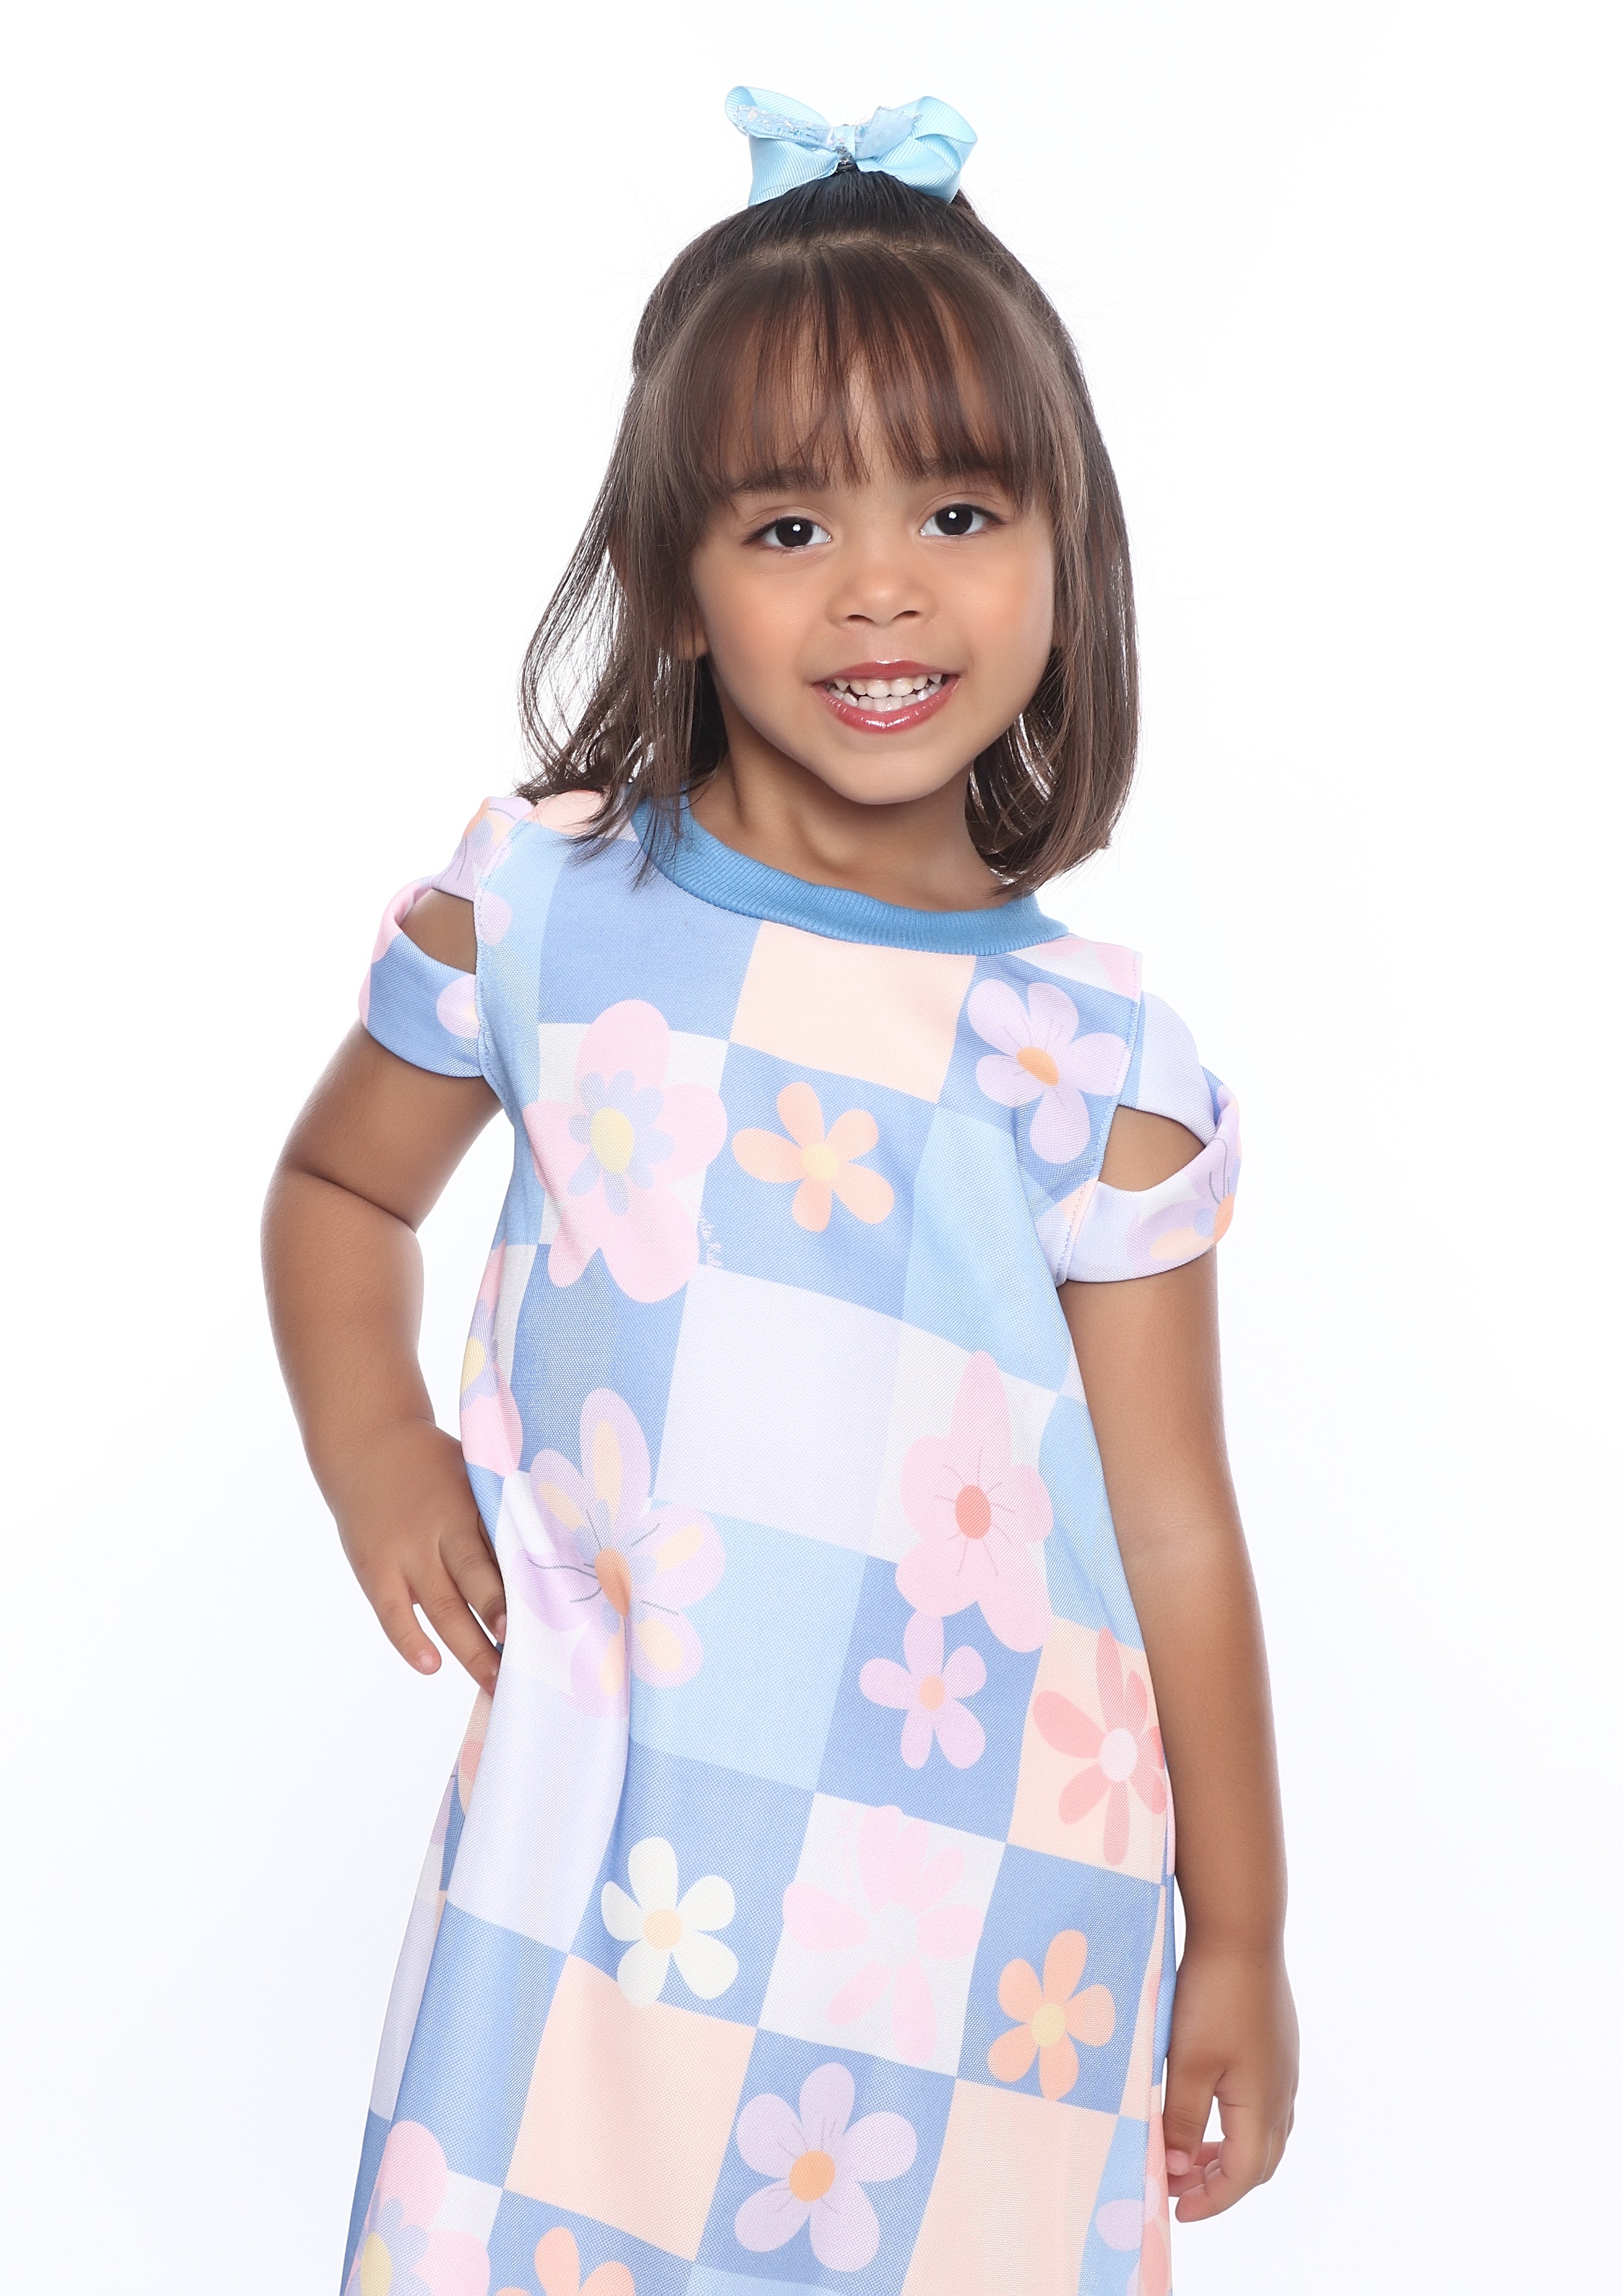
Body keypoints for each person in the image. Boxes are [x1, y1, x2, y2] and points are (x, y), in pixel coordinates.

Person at [264, 86, 1297, 2296]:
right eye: (789, 524)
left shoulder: (1088, 1059)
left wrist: (1239, 1933)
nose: (882, 584)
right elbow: (341, 1189)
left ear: (1067, 557)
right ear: (672, 578)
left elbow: (1173, 1524)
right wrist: (375, 1448)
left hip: (983, 1926)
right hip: (605, 1867)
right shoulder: (542, 915)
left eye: (958, 507)